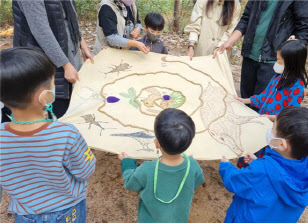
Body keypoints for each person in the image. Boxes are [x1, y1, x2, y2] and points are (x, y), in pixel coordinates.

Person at [0, 47, 96, 223]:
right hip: (67, 210)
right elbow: (85, 170)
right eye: (52, 83)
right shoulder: (66, 134)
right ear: (44, 97)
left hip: (24, 213)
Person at [219, 107, 308, 223]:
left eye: (273, 129)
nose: (269, 130)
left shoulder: (260, 171)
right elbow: (277, 174)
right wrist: (258, 163)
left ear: (281, 144)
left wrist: (226, 166)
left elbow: (234, 181)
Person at [214, 0, 308, 106]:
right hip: (250, 55)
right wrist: (230, 41)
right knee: (244, 103)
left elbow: (304, 30)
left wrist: (290, 54)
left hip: (275, 61)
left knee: (264, 106)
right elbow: (246, 18)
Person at [118, 108, 205, 223]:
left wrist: (127, 163)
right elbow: (196, 182)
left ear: (157, 143)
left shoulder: (147, 169)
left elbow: (130, 183)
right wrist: (190, 162)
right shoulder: (193, 166)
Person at [11, 0, 94, 119]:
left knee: (68, 108)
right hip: (44, 62)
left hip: (67, 55)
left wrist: (82, 44)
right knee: (53, 110)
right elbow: (41, 30)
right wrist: (65, 64)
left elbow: (71, 17)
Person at [235, 39, 307, 115]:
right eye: (277, 60)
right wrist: (244, 100)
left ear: (292, 64)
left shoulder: (297, 86)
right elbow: (263, 97)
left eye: (280, 62)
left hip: (276, 125)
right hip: (264, 118)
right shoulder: (278, 76)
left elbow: (291, 115)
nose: (277, 64)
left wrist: (270, 118)